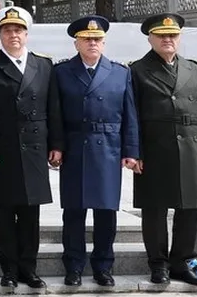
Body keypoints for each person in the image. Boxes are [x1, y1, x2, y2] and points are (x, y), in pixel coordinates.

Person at [0, 6, 63, 289]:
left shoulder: (44, 65)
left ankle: (29, 268)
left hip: (35, 148)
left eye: (18, 30)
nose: (14, 35)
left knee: (30, 213)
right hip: (3, 150)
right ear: (0, 35)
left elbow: (54, 109)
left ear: (26, 34)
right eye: (7, 30)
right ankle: (9, 269)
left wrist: (57, 145)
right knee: (4, 213)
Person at [130, 13, 197, 286]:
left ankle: (181, 262)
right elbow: (131, 114)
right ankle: (158, 263)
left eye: (173, 35)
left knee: (189, 206)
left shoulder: (194, 69)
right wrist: (135, 152)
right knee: (154, 206)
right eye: (162, 35)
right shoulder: (137, 70)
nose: (168, 40)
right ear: (150, 38)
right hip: (155, 145)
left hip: (191, 145)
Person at [53, 15, 139, 287]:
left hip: (108, 148)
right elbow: (55, 114)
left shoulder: (120, 72)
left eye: (97, 39)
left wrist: (131, 150)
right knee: (74, 211)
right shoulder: (61, 72)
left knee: (105, 212)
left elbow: (130, 116)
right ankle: (74, 265)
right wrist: (56, 146)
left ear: (104, 43)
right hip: (76, 146)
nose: (92, 43)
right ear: (76, 42)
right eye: (87, 39)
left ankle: (103, 266)